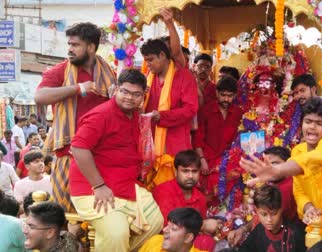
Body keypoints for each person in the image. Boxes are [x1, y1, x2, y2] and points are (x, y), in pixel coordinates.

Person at [69, 69, 163, 251]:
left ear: (143, 95)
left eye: (136, 94)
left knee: (155, 221)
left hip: (124, 184)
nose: (130, 98)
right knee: (116, 233)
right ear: (116, 89)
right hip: (93, 188)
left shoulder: (134, 115)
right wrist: (98, 186)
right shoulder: (101, 115)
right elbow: (78, 148)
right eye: (125, 92)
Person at [240, 97, 322, 239]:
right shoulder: (298, 151)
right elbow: (299, 190)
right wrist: (308, 207)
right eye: (308, 122)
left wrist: (277, 170)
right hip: (317, 228)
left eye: (319, 123)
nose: (312, 127)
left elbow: (313, 160)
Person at [34, 22, 116, 212]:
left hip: (101, 153)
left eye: (75, 45)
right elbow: (39, 96)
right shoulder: (61, 70)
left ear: (91, 47)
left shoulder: (108, 73)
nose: (70, 49)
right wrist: (78, 88)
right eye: (69, 44)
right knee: (66, 214)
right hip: (69, 153)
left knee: (103, 211)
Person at [141, 39, 198, 187]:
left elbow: (191, 109)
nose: (148, 64)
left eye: (151, 60)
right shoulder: (148, 78)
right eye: (146, 61)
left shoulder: (184, 76)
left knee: (173, 187)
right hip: (150, 143)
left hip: (175, 141)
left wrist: (163, 116)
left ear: (162, 55)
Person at [227, 146, 299, 247]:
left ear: (288, 166)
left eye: (274, 164)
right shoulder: (272, 184)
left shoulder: (288, 186)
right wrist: (243, 229)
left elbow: (271, 220)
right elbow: (263, 215)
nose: (268, 168)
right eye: (266, 164)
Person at [193, 76, 243, 193]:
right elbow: (197, 138)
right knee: (207, 191)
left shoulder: (238, 113)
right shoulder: (206, 111)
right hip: (208, 160)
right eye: (223, 95)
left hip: (229, 160)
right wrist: (202, 159)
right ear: (216, 93)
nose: (226, 99)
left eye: (229, 96)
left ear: (235, 95)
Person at [238, 184, 306, 252]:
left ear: (281, 209)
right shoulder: (258, 231)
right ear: (256, 210)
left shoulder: (296, 233)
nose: (269, 219)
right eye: (264, 214)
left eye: (274, 214)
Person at [139, 208, 203, 252]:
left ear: (188, 237)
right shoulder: (154, 242)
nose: (164, 230)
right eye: (167, 225)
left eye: (173, 228)